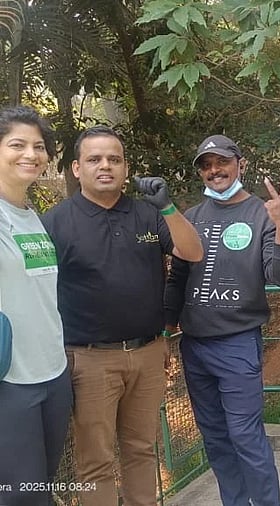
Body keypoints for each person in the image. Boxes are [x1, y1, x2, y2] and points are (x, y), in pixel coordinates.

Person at [41, 125, 203, 506]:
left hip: (147, 354)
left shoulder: (148, 214)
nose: (105, 166)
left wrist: (167, 206)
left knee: (142, 450)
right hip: (88, 359)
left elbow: (193, 252)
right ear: (77, 168)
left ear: (125, 167)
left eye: (114, 159)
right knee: (95, 461)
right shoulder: (55, 222)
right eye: (94, 159)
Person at [164, 135, 280, 506]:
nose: (214, 171)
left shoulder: (262, 213)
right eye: (206, 165)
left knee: (244, 433)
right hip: (194, 345)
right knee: (215, 437)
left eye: (221, 162)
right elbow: (176, 277)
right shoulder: (190, 217)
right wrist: (165, 330)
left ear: (240, 163)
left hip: (238, 342)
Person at [0, 106, 72, 506]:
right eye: (17, 145)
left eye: (38, 146)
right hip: (9, 379)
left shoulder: (33, 218)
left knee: (39, 486)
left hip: (52, 373)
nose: (31, 154)